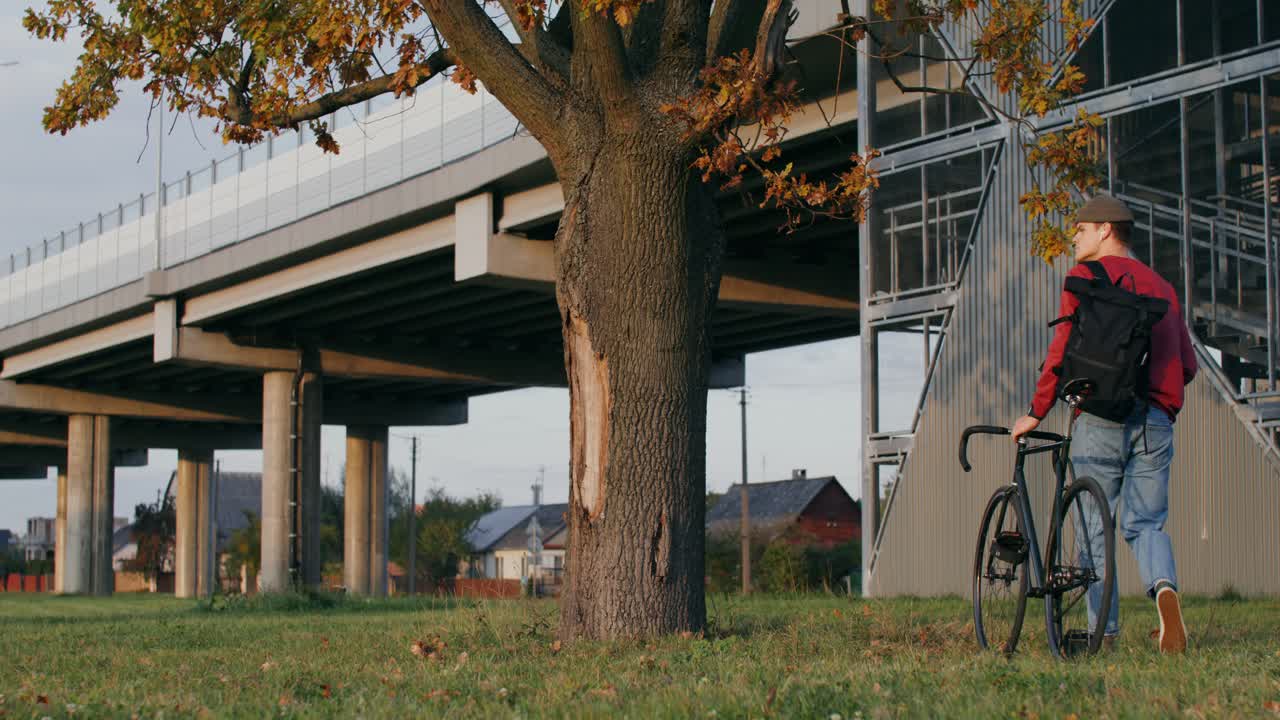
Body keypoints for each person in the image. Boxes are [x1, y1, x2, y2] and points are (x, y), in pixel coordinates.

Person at [1010, 194, 1197, 654]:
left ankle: (1103, 635)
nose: (1074, 235)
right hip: (1155, 419)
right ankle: (1165, 590)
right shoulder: (1162, 287)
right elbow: (1187, 364)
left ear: (1105, 230)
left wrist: (1037, 411)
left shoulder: (1084, 279)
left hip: (1098, 416)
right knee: (1147, 524)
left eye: (1080, 228)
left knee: (1096, 526)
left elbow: (1062, 351)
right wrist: (1160, 400)